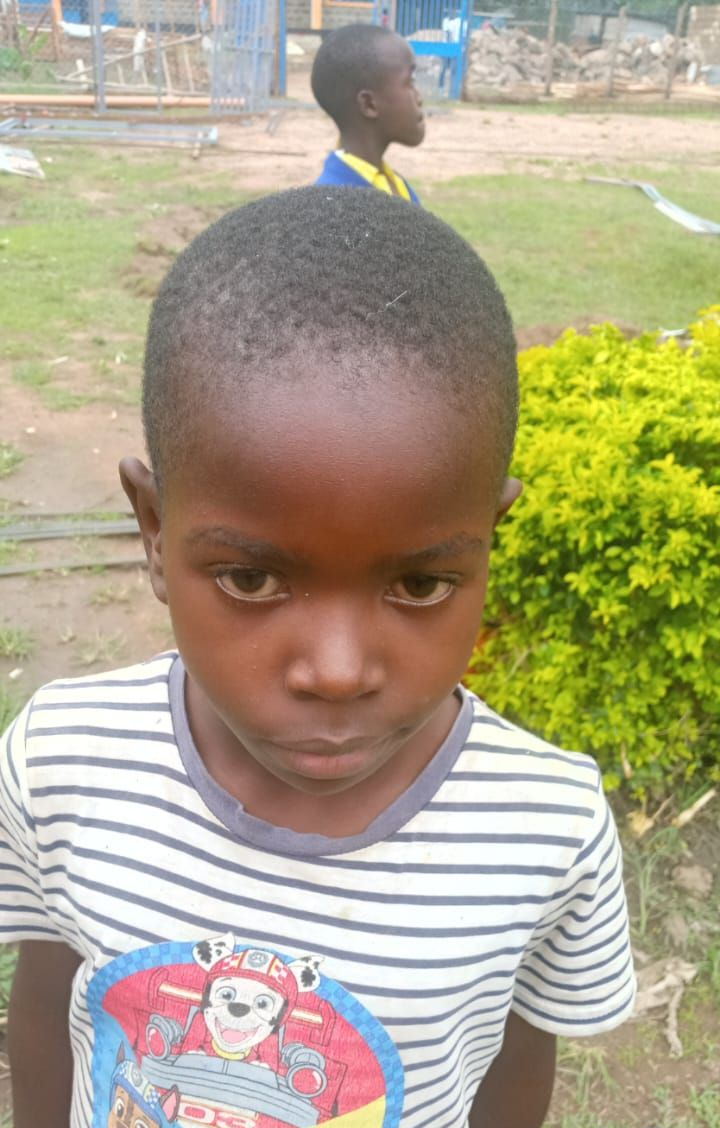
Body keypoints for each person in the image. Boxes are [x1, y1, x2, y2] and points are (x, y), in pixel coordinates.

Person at [0, 188, 635, 1128]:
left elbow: (511, 1057)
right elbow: (49, 994)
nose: (337, 672)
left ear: (488, 538)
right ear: (154, 530)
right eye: (252, 579)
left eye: (420, 584)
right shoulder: (63, 760)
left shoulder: (546, 828)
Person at [312, 24, 424, 202]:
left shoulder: (396, 185)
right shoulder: (332, 207)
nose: (419, 98)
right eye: (410, 81)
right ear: (369, 104)